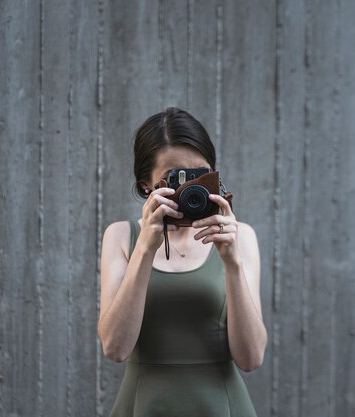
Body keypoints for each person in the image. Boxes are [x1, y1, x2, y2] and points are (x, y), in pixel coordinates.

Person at [98, 107, 267, 417]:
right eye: (174, 179)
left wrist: (232, 262)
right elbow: (114, 348)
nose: (188, 188)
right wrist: (145, 248)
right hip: (145, 405)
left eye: (200, 175)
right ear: (146, 185)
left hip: (220, 405)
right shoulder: (121, 236)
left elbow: (252, 358)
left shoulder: (240, 237)